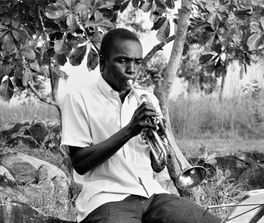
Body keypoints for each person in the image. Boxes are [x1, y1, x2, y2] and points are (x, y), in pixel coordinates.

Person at [61, 28, 221, 223]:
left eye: (137, 62)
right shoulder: (78, 99)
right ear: (103, 63)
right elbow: (80, 163)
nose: (132, 70)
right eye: (123, 61)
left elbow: (157, 164)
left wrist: (161, 138)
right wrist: (130, 130)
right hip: (106, 198)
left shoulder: (148, 99)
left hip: (152, 194)